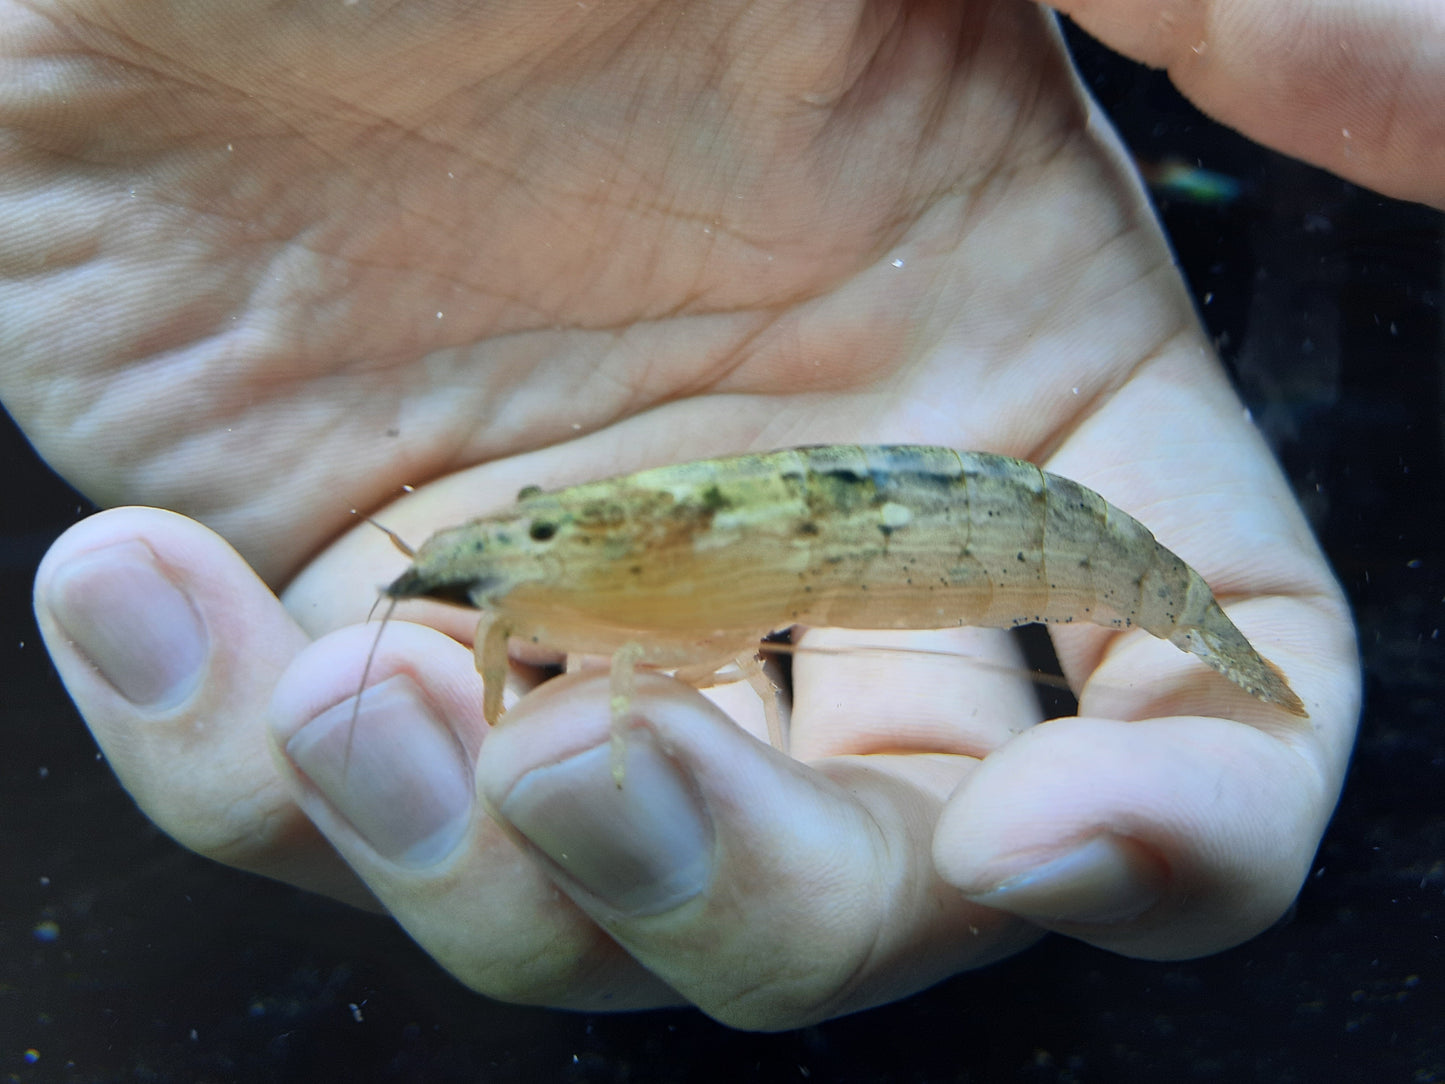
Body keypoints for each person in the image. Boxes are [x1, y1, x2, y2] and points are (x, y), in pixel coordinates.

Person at [7, 0, 1431, 1030]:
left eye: (547, 537)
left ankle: (1214, 652)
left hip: (1007, 530)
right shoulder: (574, 566)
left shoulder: (693, 546)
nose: (499, 571)